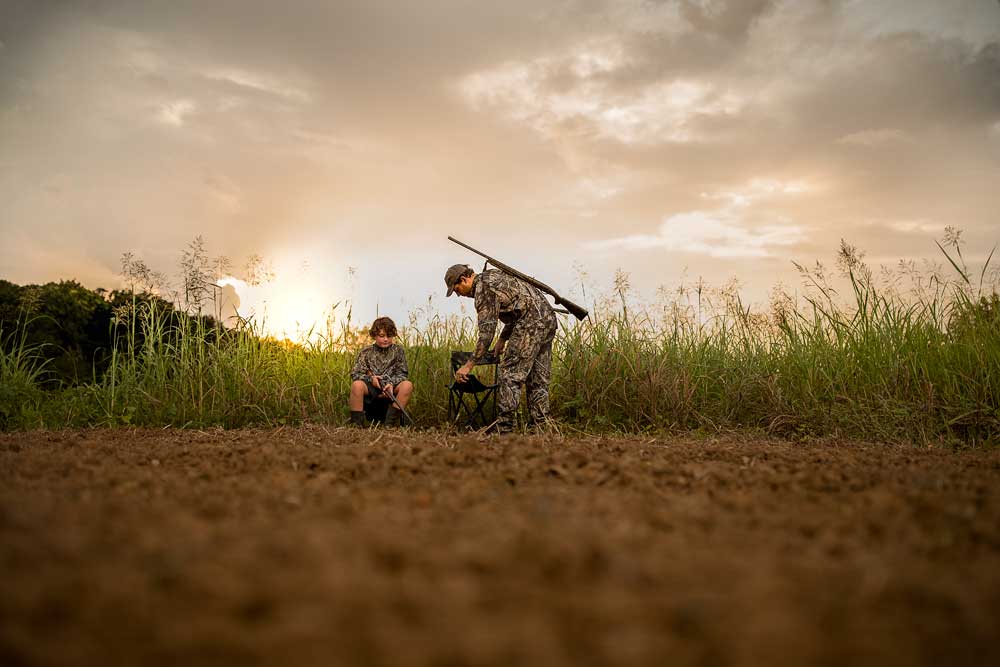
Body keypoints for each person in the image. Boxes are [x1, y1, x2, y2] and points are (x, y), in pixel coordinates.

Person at [445, 263, 557, 434]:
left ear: (464, 279)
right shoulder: (494, 276)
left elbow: (486, 334)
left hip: (530, 325)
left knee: (509, 375)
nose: (459, 295)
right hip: (548, 320)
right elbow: (518, 308)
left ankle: (505, 429)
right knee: (537, 379)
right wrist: (503, 338)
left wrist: (468, 365)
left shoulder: (483, 288)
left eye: (457, 289)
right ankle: (543, 427)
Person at [349, 316, 413, 427]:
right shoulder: (366, 352)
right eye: (382, 336)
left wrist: (391, 384)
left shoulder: (398, 351)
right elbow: (355, 374)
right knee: (356, 385)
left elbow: (403, 374)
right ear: (374, 335)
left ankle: (389, 425)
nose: (386, 339)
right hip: (371, 387)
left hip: (391, 387)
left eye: (389, 336)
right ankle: (356, 425)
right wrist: (371, 379)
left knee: (407, 385)